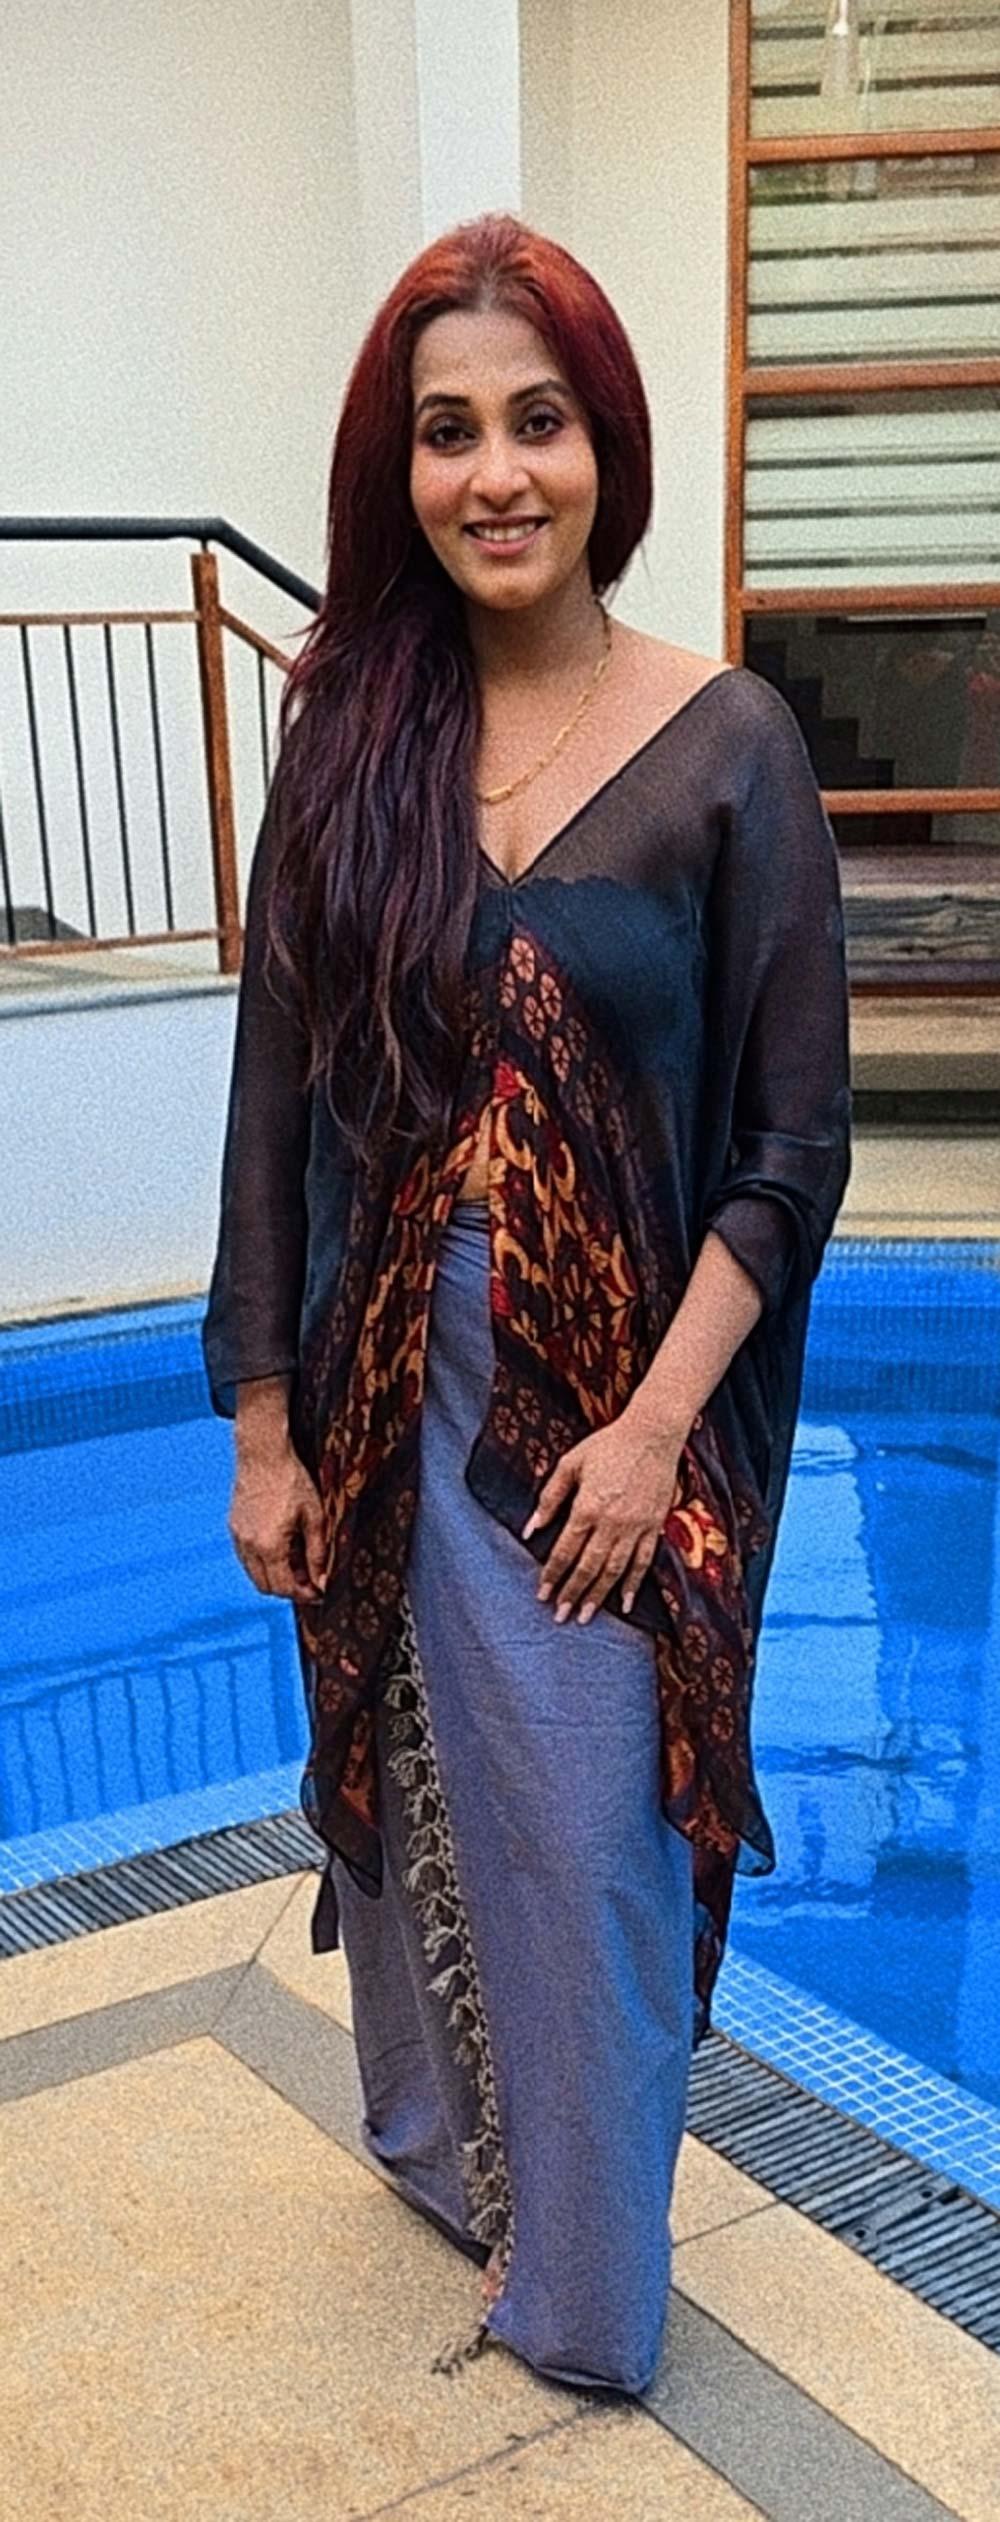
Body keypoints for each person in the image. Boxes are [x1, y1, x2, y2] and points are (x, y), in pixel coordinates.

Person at [201, 210, 852, 2398]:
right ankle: (438, 2150)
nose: (495, 473)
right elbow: (274, 1100)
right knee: (406, 1775)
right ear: (396, 471)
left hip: (616, 1408)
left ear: (606, 443)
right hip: (384, 1378)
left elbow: (792, 1144)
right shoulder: (353, 742)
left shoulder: (727, 743)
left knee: (592, 1841)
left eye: (538, 421)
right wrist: (265, 1422)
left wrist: (658, 1429)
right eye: (447, 430)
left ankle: (579, 2294)